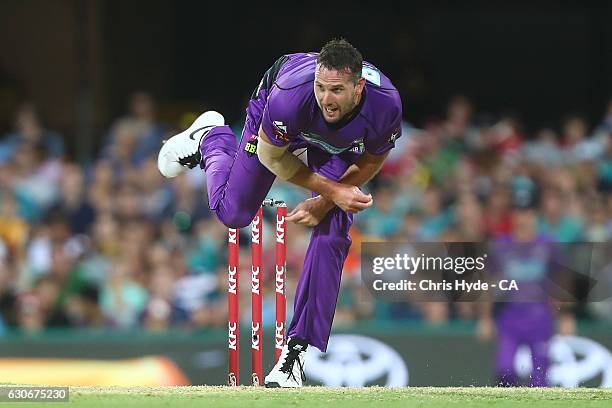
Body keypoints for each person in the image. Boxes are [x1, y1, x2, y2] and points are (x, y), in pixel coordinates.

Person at [157, 39, 402, 387]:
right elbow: (274, 158)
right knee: (234, 214)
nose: (327, 98)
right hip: (279, 123)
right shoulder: (291, 94)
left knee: (335, 223)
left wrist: (327, 202)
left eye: (336, 90)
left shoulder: (385, 103)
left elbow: (372, 160)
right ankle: (211, 138)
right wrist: (330, 192)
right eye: (321, 87)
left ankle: (295, 354)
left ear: (358, 86)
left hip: (334, 147)